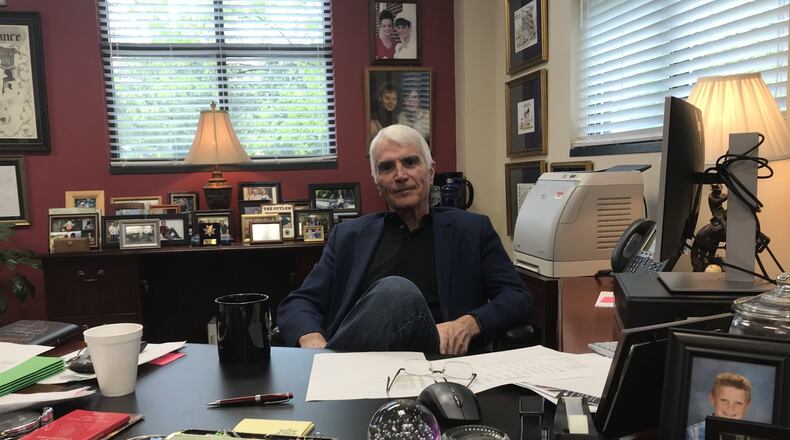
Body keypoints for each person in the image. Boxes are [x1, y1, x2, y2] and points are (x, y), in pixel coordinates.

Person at [277, 124, 533, 355]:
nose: (400, 175)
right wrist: (311, 339)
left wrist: (470, 322)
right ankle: (334, 368)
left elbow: (517, 296)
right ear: (377, 182)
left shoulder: (471, 231)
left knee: (397, 291)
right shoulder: (348, 236)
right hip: (365, 362)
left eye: (410, 162)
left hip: (438, 364)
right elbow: (299, 302)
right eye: (387, 167)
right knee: (395, 291)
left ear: (431, 172)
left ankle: (331, 374)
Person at [685, 372, 752, 440]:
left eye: (738, 403)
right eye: (724, 400)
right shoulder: (693, 435)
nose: (730, 408)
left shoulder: (753, 437)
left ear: (747, 405)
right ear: (712, 399)